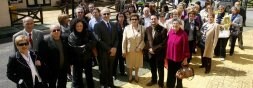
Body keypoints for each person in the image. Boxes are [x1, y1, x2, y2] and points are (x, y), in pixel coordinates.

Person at [94, 8, 119, 88]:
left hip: (113, 51)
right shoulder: (97, 25)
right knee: (103, 69)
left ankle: (110, 84)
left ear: (110, 14)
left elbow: (117, 38)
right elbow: (98, 40)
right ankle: (104, 84)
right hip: (103, 52)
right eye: (104, 14)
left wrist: (114, 47)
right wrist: (109, 49)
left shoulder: (114, 24)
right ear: (101, 15)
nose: (106, 15)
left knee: (111, 68)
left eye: (108, 13)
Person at [68, 19, 96, 88]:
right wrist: (84, 47)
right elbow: (73, 48)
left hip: (88, 57)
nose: (79, 27)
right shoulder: (72, 35)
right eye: (77, 26)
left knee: (89, 74)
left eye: (81, 26)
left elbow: (94, 41)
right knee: (78, 76)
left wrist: (85, 46)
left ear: (83, 26)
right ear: (74, 26)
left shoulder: (88, 32)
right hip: (77, 59)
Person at [166, 18, 189, 88]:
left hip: (179, 58)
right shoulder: (170, 32)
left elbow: (186, 47)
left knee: (179, 74)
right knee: (170, 73)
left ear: (180, 25)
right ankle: (170, 86)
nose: (175, 25)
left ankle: (179, 86)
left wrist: (185, 58)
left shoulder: (183, 34)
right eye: (174, 24)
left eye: (177, 24)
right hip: (170, 57)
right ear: (172, 25)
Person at [145, 15, 167, 88]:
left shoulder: (163, 29)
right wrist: (149, 49)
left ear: (157, 20)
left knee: (160, 69)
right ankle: (153, 80)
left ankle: (160, 83)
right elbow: (146, 40)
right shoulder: (147, 29)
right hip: (150, 53)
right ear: (150, 20)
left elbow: (163, 43)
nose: (153, 20)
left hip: (159, 53)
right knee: (152, 68)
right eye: (152, 19)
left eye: (155, 19)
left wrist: (154, 49)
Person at [122, 13, 145, 83]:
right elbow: (124, 40)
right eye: (132, 19)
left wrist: (140, 47)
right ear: (130, 20)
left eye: (135, 19)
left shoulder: (142, 28)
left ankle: (136, 75)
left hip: (139, 50)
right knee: (130, 64)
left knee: (137, 63)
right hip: (130, 50)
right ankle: (130, 76)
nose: (134, 21)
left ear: (138, 20)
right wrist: (124, 50)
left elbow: (144, 39)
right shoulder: (126, 28)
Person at [113, 12, 128, 79]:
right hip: (117, 46)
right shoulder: (115, 25)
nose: (121, 18)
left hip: (124, 46)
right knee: (115, 61)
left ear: (124, 17)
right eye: (119, 16)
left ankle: (122, 72)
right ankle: (113, 74)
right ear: (117, 18)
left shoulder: (126, 25)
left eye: (122, 16)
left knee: (122, 60)